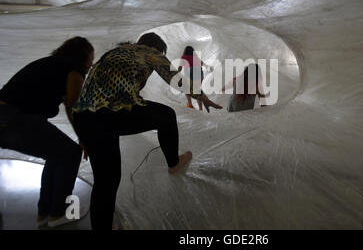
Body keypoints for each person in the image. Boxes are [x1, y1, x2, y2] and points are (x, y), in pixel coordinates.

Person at [72, 32, 222, 230]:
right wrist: (201, 96)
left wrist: (82, 134)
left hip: (85, 116)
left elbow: (90, 88)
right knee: (167, 115)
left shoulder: (113, 52)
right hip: (115, 111)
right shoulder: (149, 52)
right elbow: (175, 78)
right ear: (157, 48)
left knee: (106, 181)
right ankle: (173, 162)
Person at [0, 36, 94, 228]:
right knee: (71, 153)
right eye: (91, 59)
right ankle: (58, 213)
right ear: (84, 57)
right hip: (12, 117)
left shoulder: (51, 64)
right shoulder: (74, 70)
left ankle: (45, 213)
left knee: (57, 154)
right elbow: (73, 106)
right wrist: (84, 139)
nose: (91, 64)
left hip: (7, 115)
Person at [179, 46, 212, 110]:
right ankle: (200, 108)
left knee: (187, 89)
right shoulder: (195, 57)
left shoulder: (184, 57)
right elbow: (202, 63)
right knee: (198, 90)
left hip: (191, 71)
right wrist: (208, 67)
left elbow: (180, 67)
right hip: (199, 72)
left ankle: (190, 104)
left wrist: (177, 73)